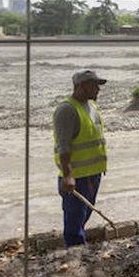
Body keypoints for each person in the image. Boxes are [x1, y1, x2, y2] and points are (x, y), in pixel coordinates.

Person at [53, 69, 109, 248]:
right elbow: (63, 145)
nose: (98, 90)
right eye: (95, 86)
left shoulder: (91, 106)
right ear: (81, 87)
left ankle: (77, 248)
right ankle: (75, 254)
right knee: (74, 219)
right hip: (77, 177)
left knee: (83, 215)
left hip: (92, 174)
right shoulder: (66, 110)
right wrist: (68, 175)